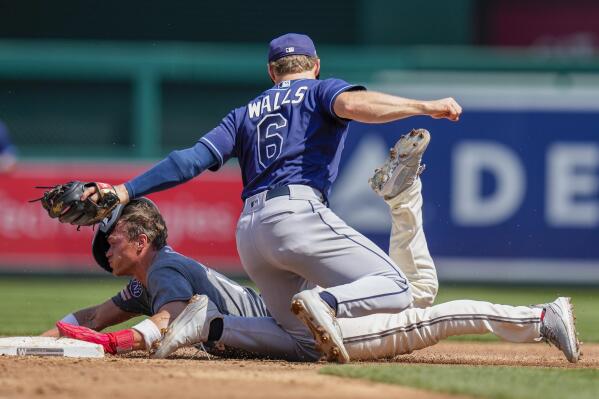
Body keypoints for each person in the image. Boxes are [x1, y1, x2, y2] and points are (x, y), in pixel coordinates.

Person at [80, 32, 572, 363]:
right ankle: (327, 299)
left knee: (300, 337)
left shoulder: (245, 112)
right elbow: (355, 105)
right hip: (297, 211)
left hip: (250, 232)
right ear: (313, 65)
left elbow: (189, 160)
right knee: (397, 287)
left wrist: (125, 189)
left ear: (272, 71)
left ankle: (213, 325)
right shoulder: (318, 91)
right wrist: (424, 105)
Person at [51, 195, 580, 363]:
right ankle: (404, 201)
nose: (107, 245)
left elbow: (162, 320)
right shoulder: (151, 277)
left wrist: (114, 344)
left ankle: (539, 316)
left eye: (114, 237)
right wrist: (29, 341)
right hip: (282, 320)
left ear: (142, 240)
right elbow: (95, 317)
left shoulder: (163, 268)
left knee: (425, 309)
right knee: (418, 298)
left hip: (290, 323)